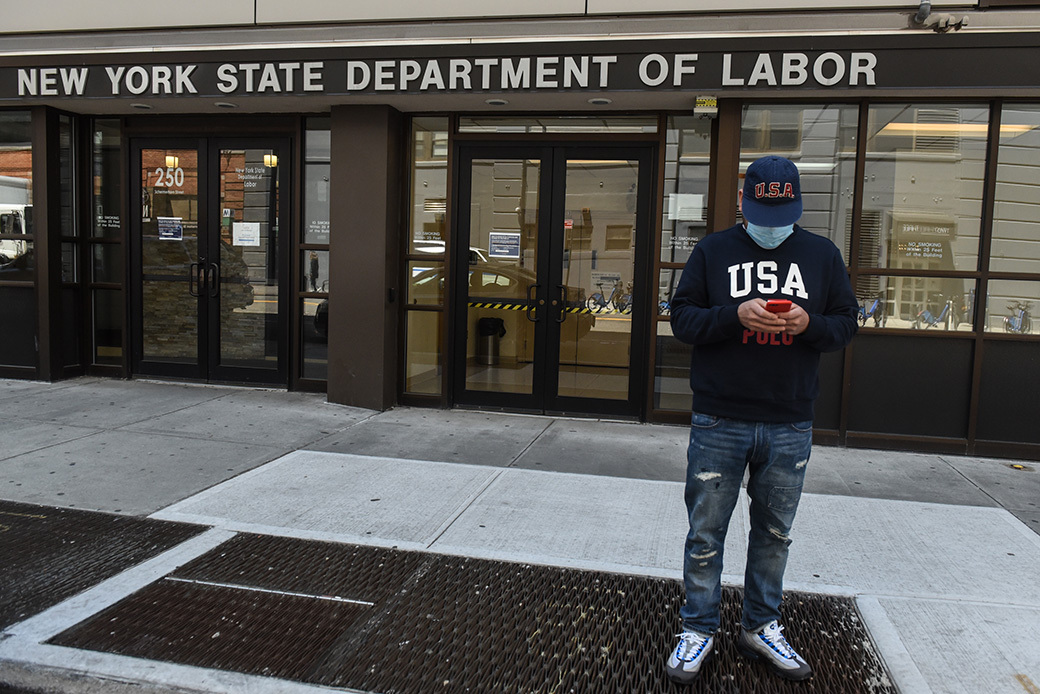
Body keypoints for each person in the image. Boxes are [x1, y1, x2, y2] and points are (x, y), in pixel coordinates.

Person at [664, 155, 858, 685]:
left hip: (789, 418)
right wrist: (732, 316)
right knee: (705, 532)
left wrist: (809, 324)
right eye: (761, 212)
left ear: (797, 205)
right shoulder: (713, 250)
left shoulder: (822, 254)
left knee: (775, 533)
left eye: (781, 213)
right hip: (718, 417)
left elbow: (846, 324)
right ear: (743, 204)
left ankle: (760, 625)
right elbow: (681, 317)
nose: (771, 226)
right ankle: (698, 627)